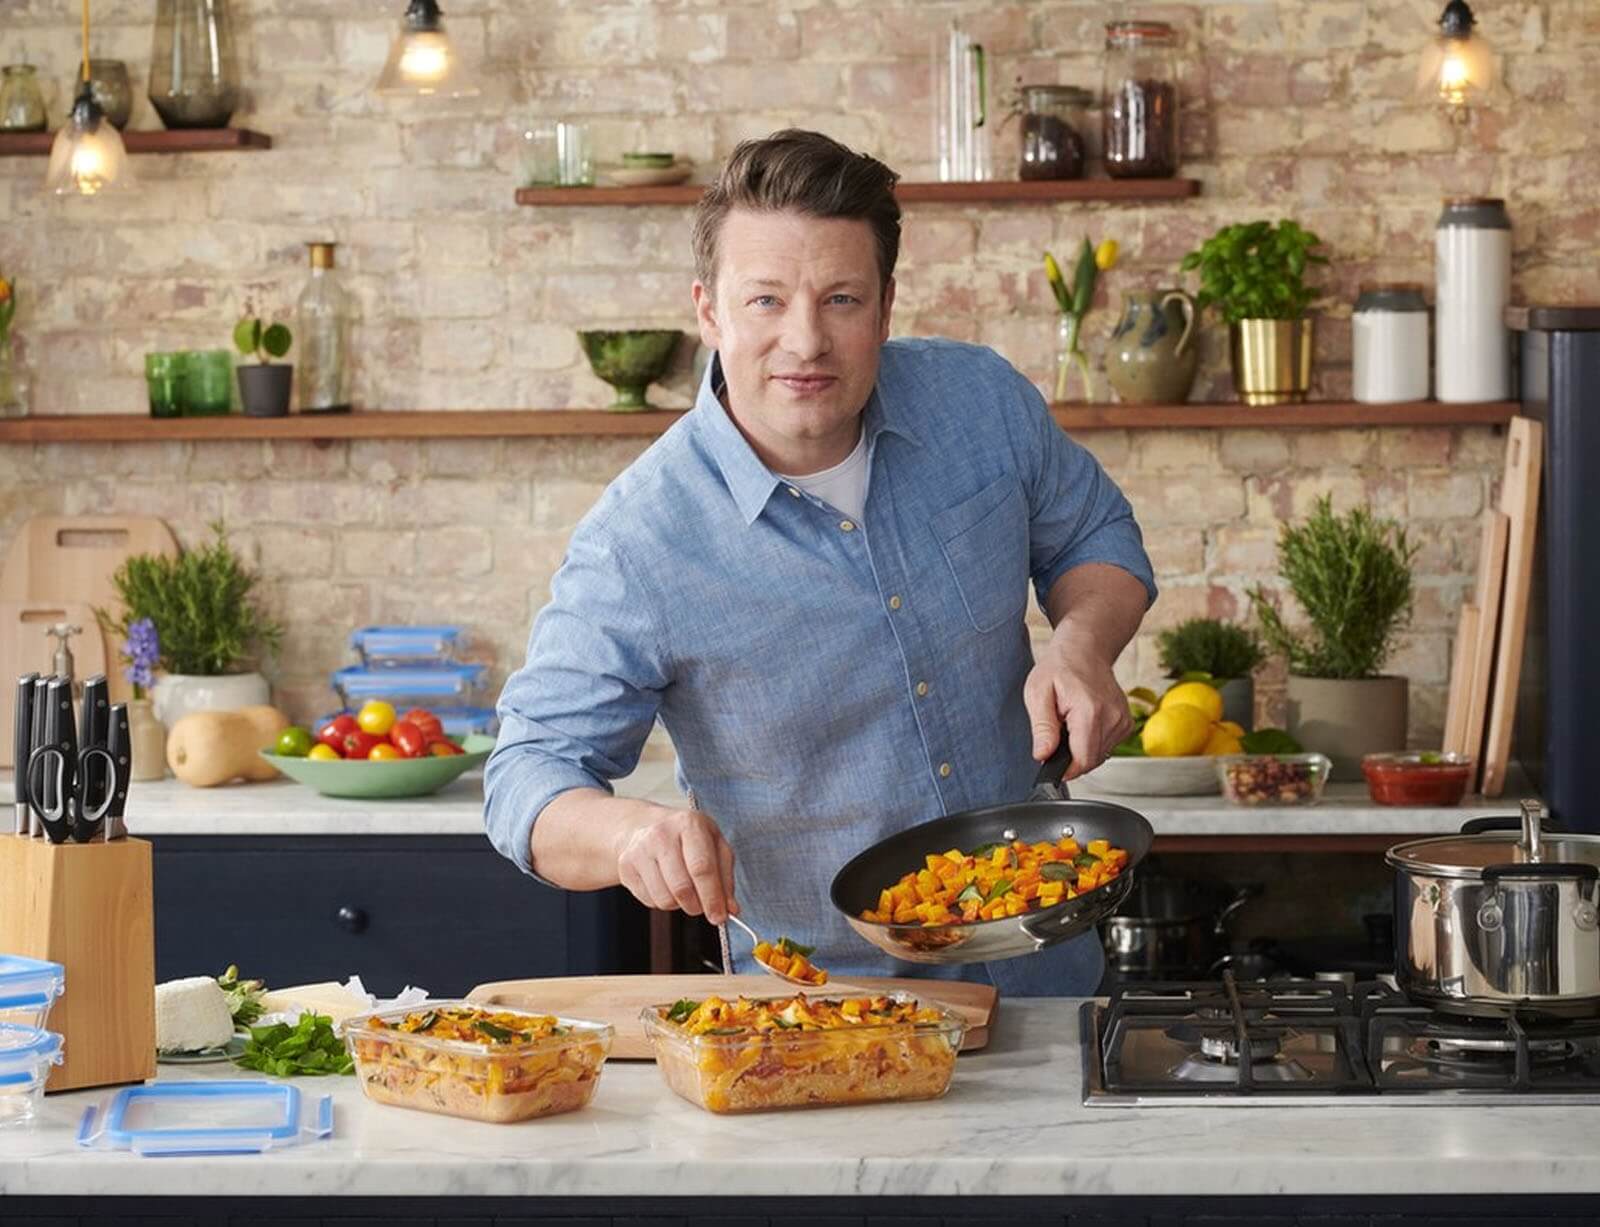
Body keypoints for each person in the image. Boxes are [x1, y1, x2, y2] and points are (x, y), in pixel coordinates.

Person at [485, 129, 1155, 996]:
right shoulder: (639, 539)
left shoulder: (980, 401)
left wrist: (1082, 643)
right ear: (709, 312)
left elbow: (1097, 535)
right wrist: (629, 836)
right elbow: (526, 775)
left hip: (1051, 973)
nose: (805, 341)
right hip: (826, 1015)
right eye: (765, 300)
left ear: (884, 307)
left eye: (840, 299)